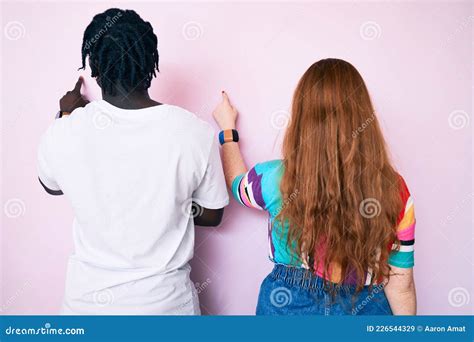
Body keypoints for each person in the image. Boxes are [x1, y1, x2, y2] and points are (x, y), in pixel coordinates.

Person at [37, 8, 228, 315]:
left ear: (94, 66)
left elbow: (52, 186)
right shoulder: (194, 132)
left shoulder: (64, 131)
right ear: (150, 62)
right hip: (166, 311)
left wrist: (68, 115)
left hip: (86, 311)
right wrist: (167, 203)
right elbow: (213, 213)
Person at [212, 58, 416, 315]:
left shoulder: (275, 179)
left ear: (301, 117)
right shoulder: (394, 189)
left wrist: (228, 132)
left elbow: (238, 186)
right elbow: (402, 283)